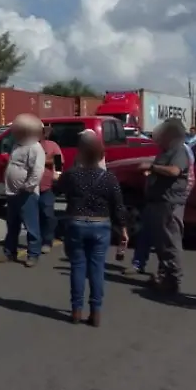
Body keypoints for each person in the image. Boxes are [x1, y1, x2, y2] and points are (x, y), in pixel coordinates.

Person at [59, 137, 127, 326]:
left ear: (80, 154)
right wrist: (123, 228)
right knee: (97, 269)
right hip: (100, 225)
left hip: (76, 223)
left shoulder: (72, 175)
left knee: (78, 267)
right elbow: (118, 206)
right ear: (100, 156)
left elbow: (58, 188)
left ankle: (76, 310)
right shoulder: (109, 178)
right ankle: (95, 312)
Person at [125, 129, 195, 275]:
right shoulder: (166, 150)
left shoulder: (182, 151)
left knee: (167, 238)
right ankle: (140, 263)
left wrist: (179, 199)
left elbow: (182, 175)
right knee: (146, 231)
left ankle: (166, 272)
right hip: (156, 200)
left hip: (169, 201)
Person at [138, 118, 190, 294]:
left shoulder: (179, 151)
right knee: (161, 242)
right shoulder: (167, 151)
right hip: (159, 202)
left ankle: (173, 279)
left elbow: (174, 171)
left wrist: (153, 168)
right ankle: (164, 275)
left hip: (169, 203)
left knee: (170, 242)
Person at [0, 114, 46, 267]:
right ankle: (9, 252)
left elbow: (37, 171)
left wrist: (28, 186)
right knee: (12, 225)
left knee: (31, 226)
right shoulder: (18, 145)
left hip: (26, 194)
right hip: (12, 192)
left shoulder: (35, 148)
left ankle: (33, 254)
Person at [38, 124, 63, 252]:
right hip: (30, 188)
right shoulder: (27, 145)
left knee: (47, 214)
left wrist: (57, 176)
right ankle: (36, 240)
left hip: (47, 187)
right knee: (34, 216)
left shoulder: (52, 145)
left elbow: (58, 163)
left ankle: (47, 241)